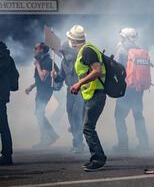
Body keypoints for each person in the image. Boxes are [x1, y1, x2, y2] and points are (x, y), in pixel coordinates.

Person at [66, 25, 107, 171]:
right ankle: (97, 158)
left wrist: (78, 84)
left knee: (88, 128)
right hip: (91, 95)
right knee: (87, 128)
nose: (68, 40)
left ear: (73, 40)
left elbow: (97, 71)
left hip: (96, 94)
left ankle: (98, 159)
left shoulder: (87, 50)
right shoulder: (84, 50)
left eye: (69, 38)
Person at [113, 28, 151, 152]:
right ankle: (144, 143)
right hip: (138, 88)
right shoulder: (140, 50)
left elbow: (115, 67)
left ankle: (123, 145)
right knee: (138, 114)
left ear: (127, 38)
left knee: (119, 116)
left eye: (122, 37)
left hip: (126, 88)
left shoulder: (122, 50)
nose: (121, 39)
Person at [51, 41, 85, 153]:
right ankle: (76, 142)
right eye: (64, 52)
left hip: (80, 91)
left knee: (77, 115)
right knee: (71, 115)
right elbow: (61, 77)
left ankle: (79, 145)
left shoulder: (80, 60)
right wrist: (55, 76)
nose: (65, 54)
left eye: (66, 51)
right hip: (70, 92)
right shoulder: (64, 63)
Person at [25, 42, 59, 148]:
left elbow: (43, 77)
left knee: (39, 113)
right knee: (39, 114)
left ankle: (50, 136)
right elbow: (40, 80)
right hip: (41, 90)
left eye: (36, 48)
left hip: (45, 91)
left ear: (42, 50)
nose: (34, 50)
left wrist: (37, 65)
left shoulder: (47, 61)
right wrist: (32, 86)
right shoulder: (43, 60)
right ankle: (48, 137)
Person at [0, 41, 16, 166]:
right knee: (3, 126)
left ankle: (6, 155)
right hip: (2, 95)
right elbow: (15, 75)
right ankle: (7, 154)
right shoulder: (7, 57)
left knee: (3, 126)